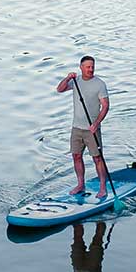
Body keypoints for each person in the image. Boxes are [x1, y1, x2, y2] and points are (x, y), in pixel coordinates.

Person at [56, 55, 113, 198]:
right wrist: (68, 78)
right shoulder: (76, 81)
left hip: (92, 129)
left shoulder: (99, 84)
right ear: (81, 67)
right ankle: (80, 185)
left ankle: (102, 187)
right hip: (76, 128)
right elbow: (60, 89)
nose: (91, 69)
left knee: (97, 158)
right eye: (87, 67)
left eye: (92, 66)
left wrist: (96, 123)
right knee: (76, 156)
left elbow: (105, 106)